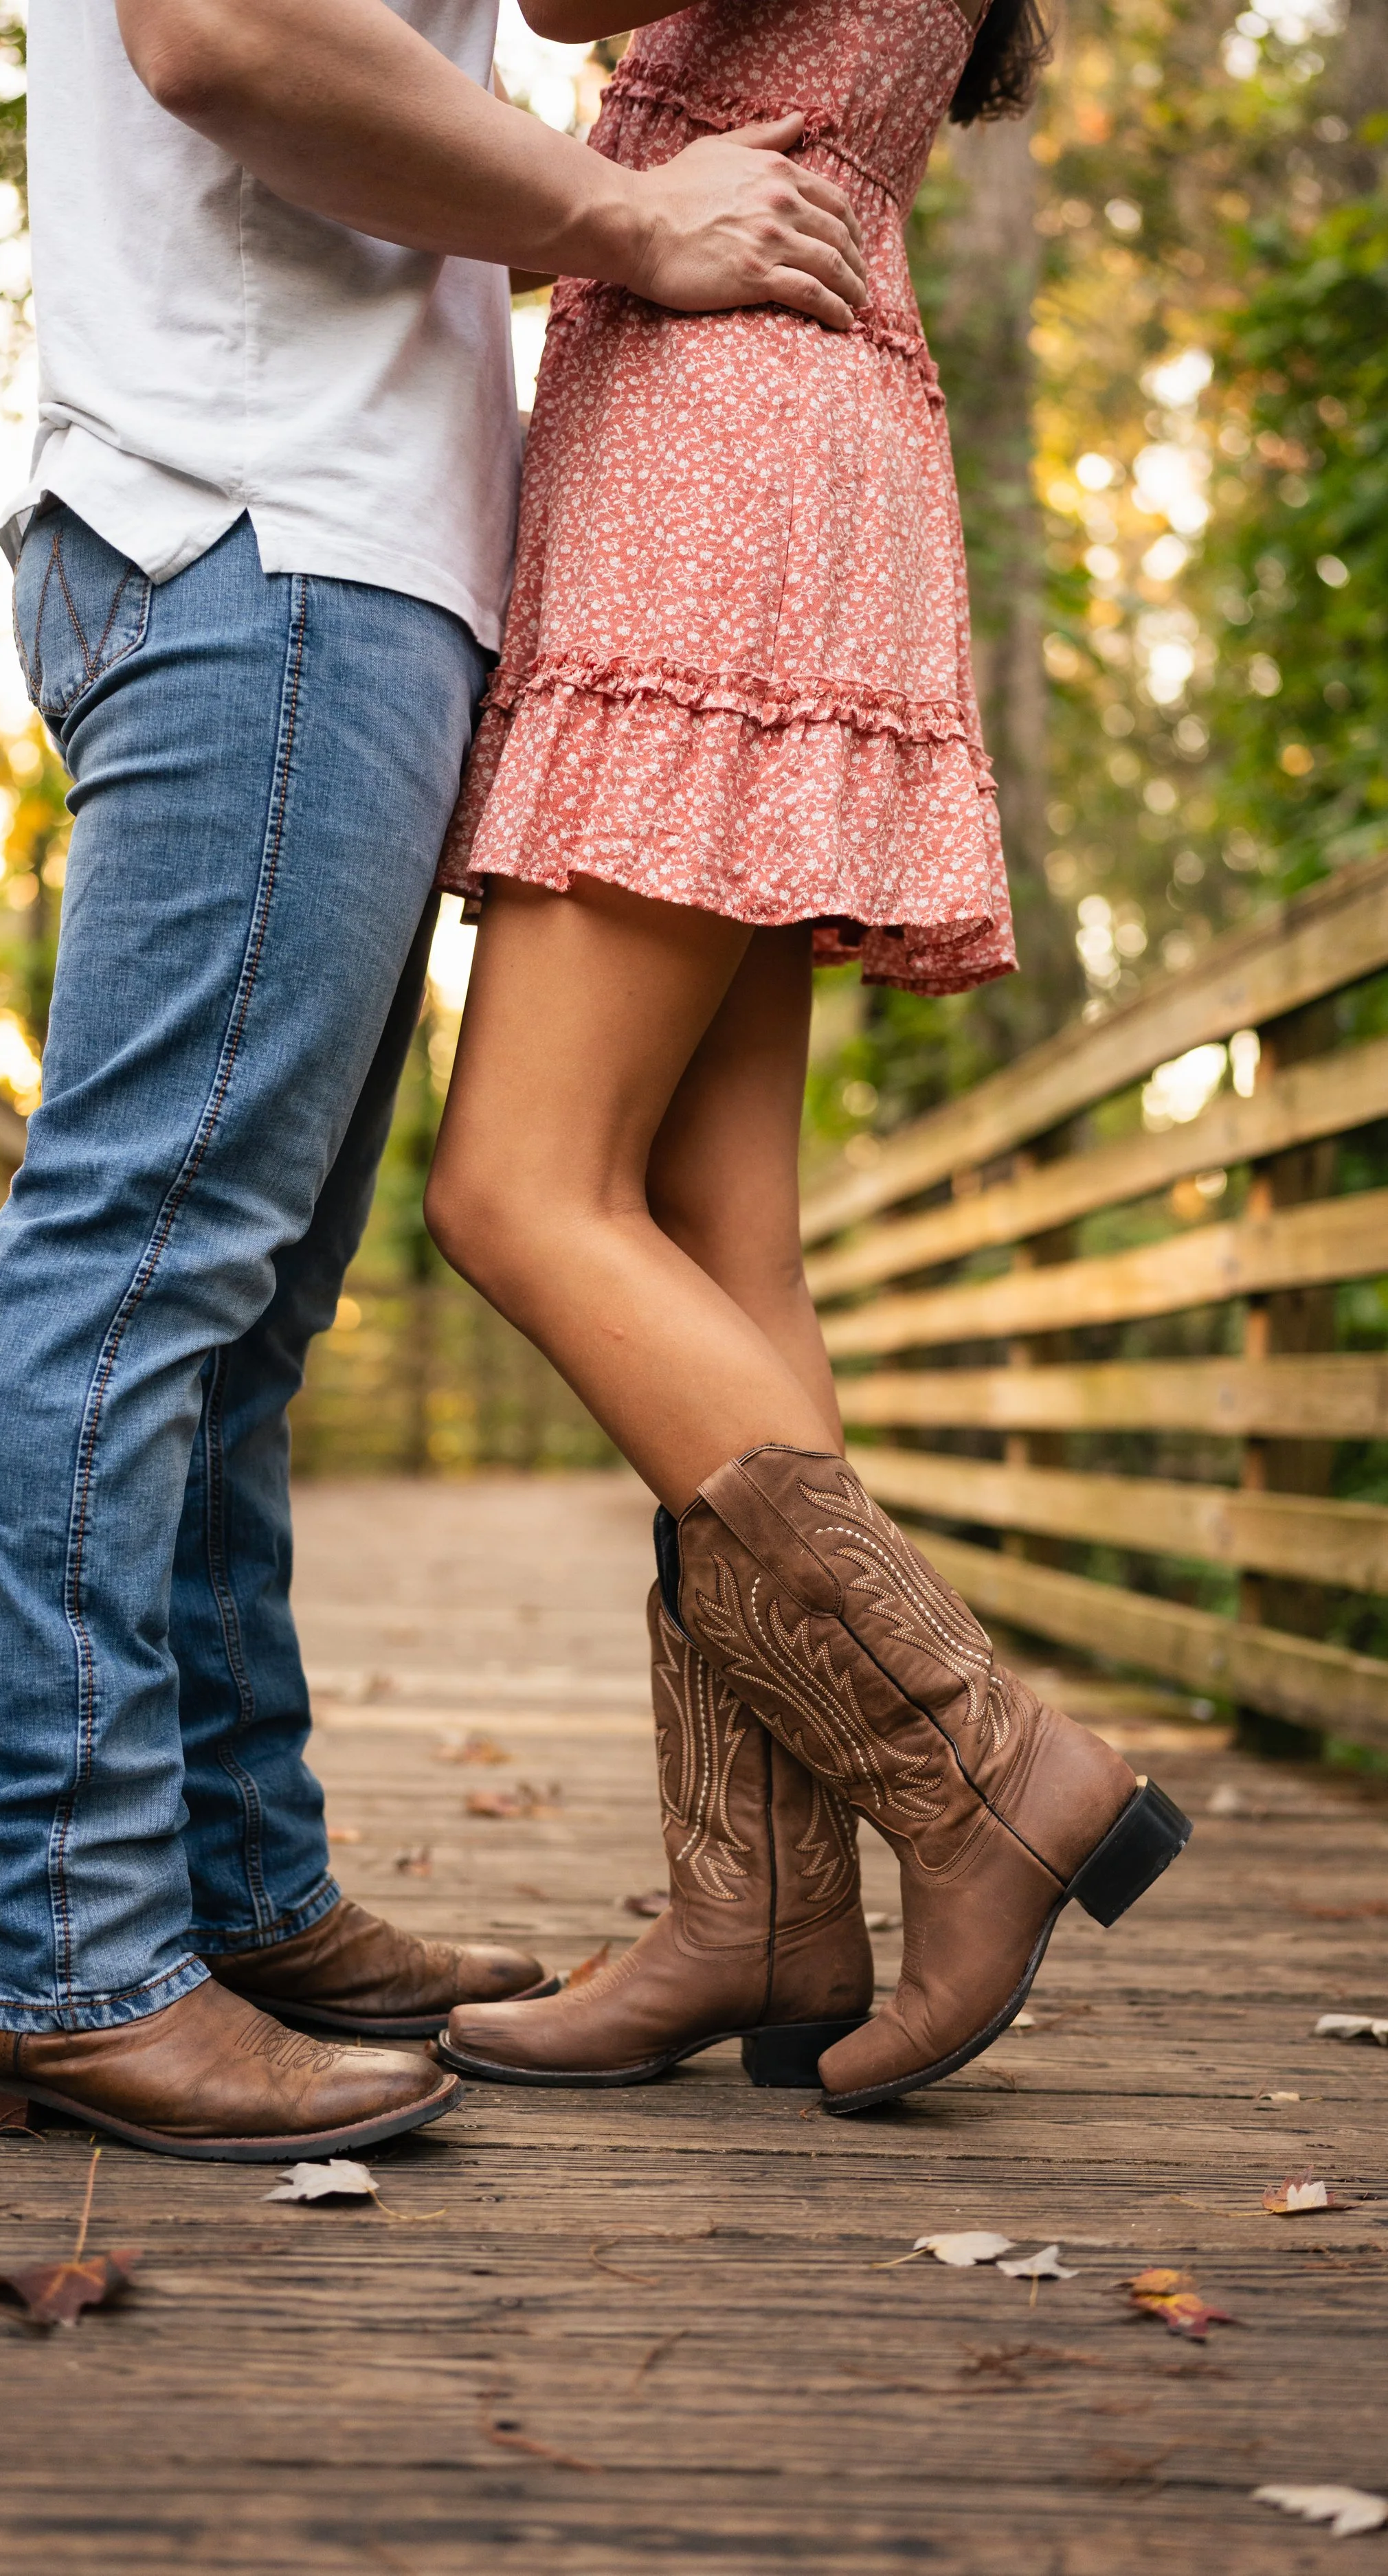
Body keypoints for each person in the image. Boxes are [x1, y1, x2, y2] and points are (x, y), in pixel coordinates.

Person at [0, 0, 877, 2161]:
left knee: (236, 1313)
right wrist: (628, 212)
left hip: (327, 552)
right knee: (144, 1269)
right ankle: (50, 1954)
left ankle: (226, 1892)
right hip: (263, 532)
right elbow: (229, 27)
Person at [427, 0, 1192, 2111]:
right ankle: (756, 1904)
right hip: (778, 409)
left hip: (718, 442)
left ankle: (980, 1761)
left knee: (516, 1185)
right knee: (710, 1226)